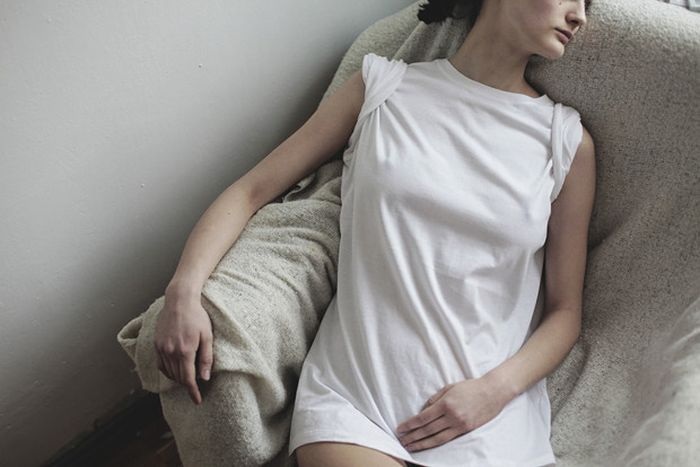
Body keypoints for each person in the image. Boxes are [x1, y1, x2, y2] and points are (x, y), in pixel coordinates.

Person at [156, 0, 596, 465]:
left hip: (487, 415)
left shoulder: (564, 141)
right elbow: (251, 191)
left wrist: (493, 392)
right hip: (355, 404)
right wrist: (183, 292)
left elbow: (565, 311)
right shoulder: (382, 87)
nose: (580, 15)